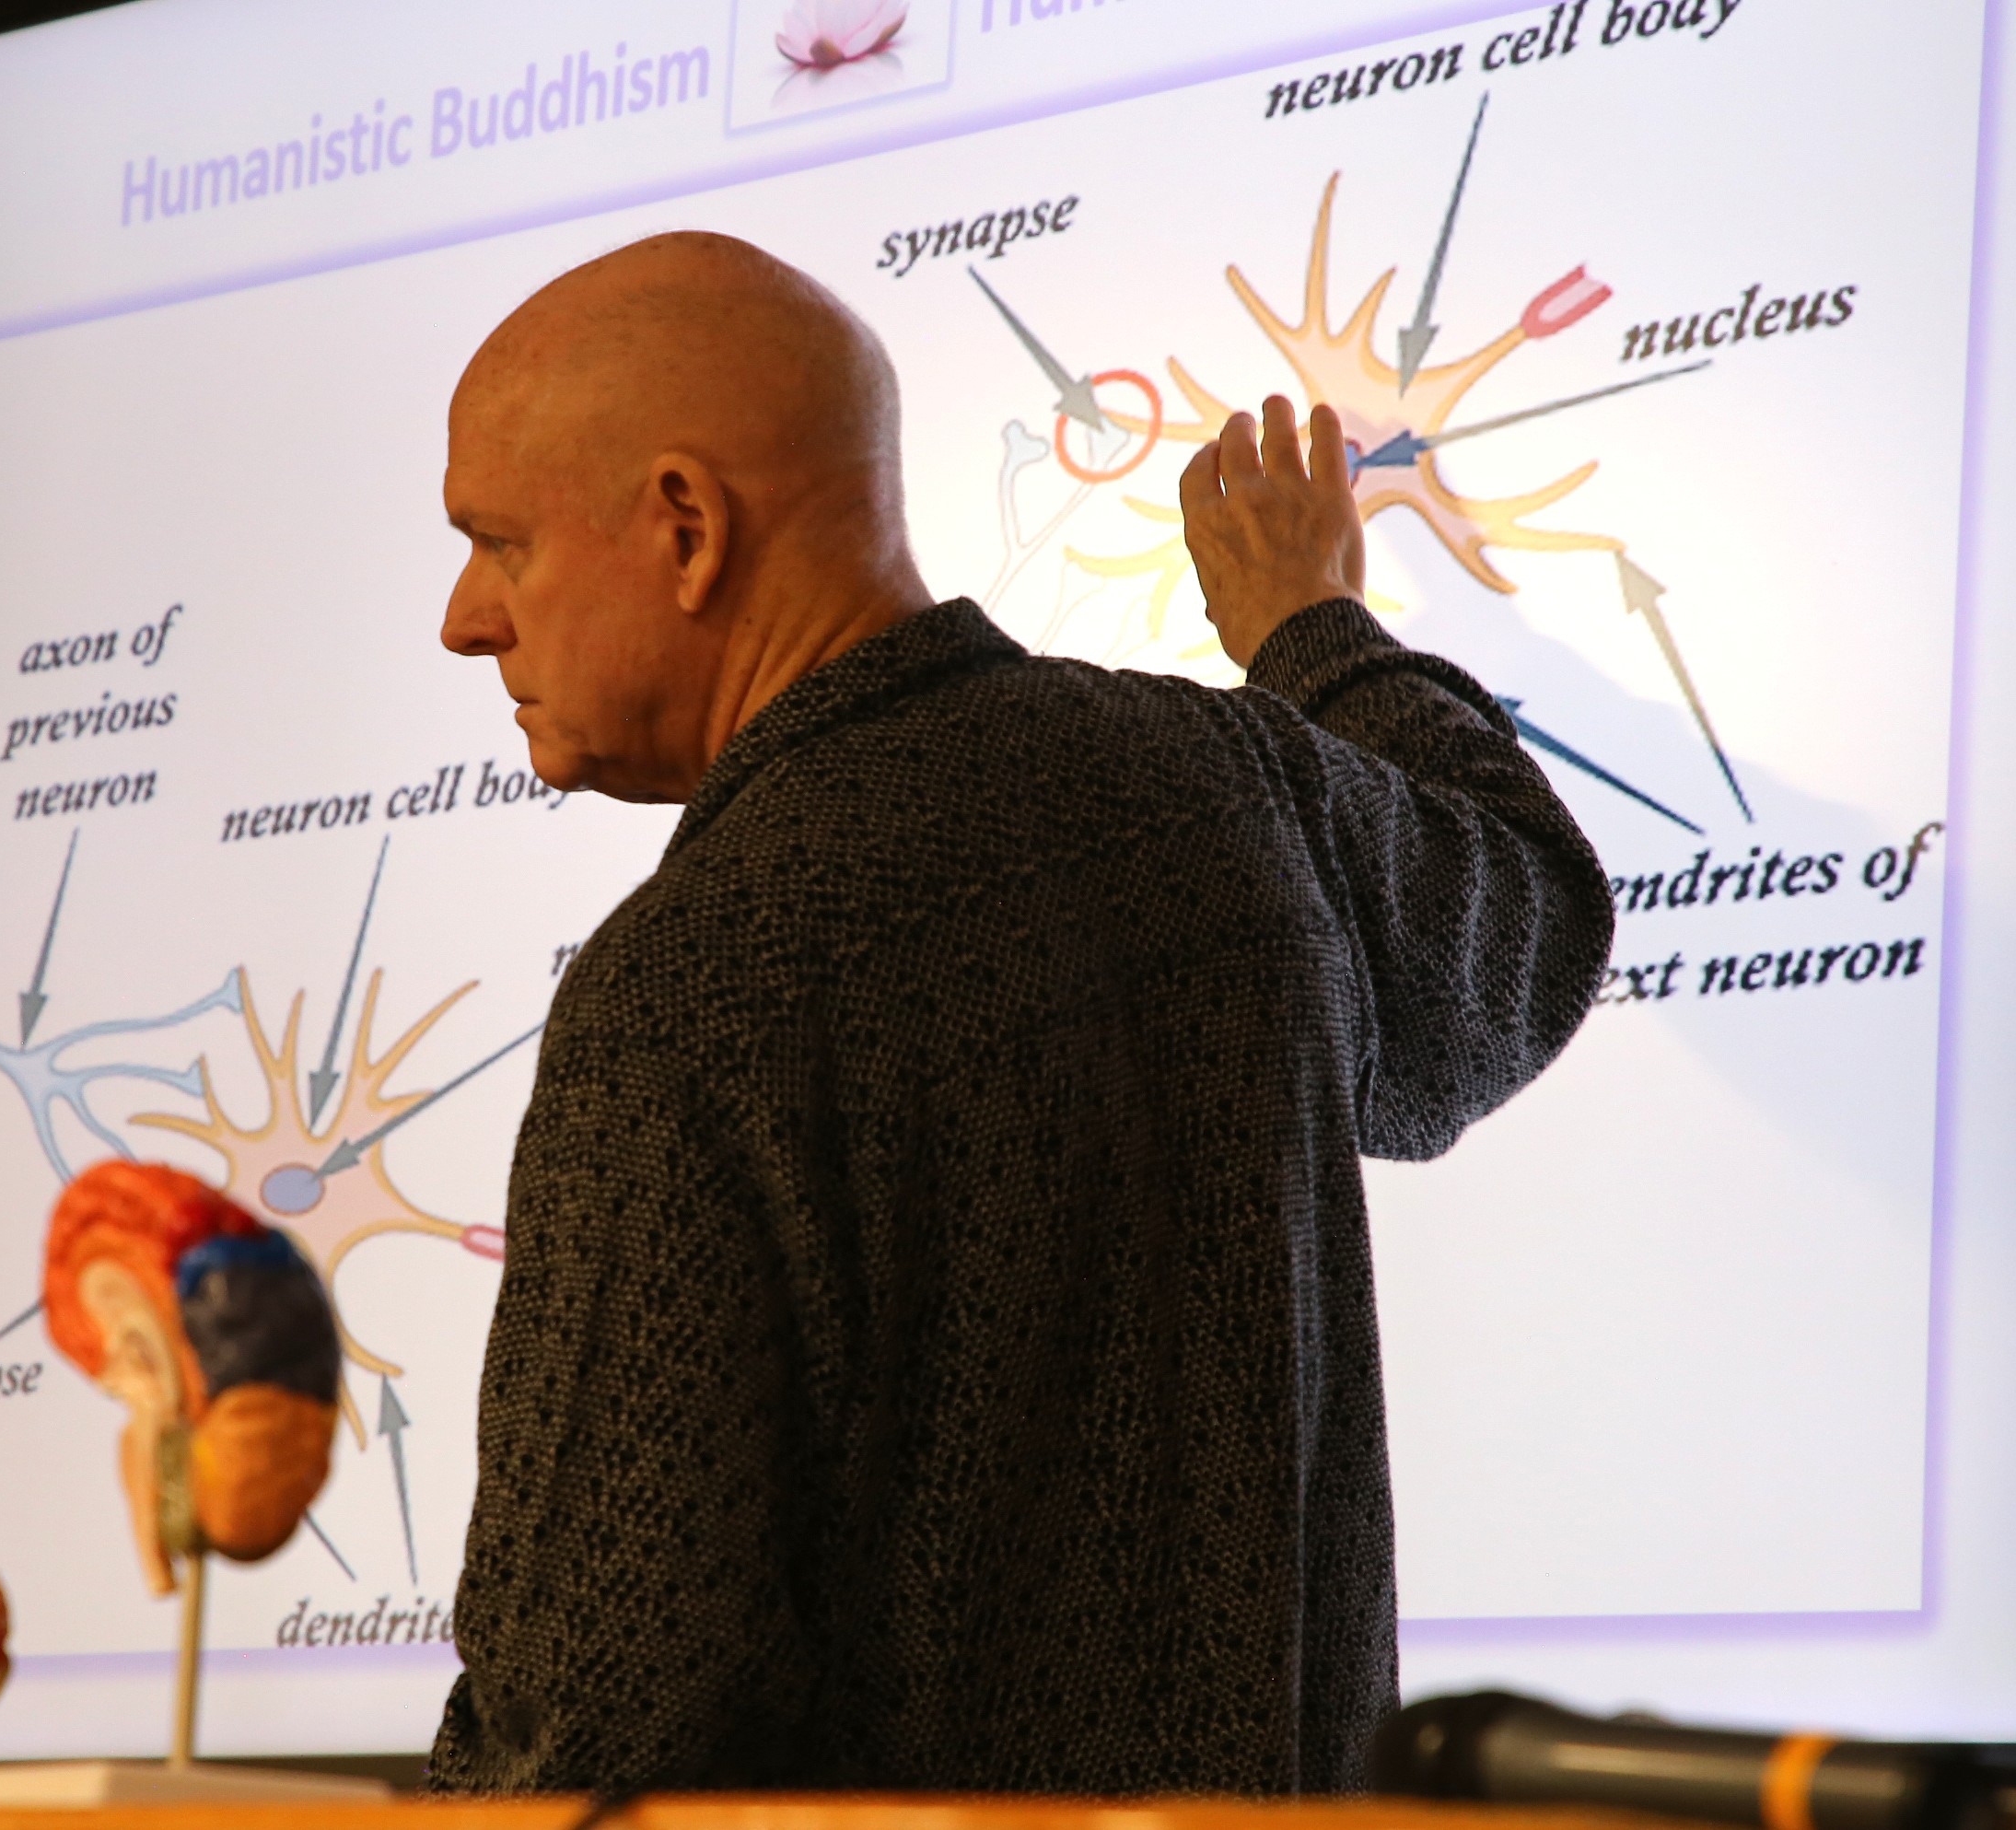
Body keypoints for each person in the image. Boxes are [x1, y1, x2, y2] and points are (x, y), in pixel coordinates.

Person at [425, 231, 1612, 1795]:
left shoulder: (696, 978)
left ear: (687, 528)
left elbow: (601, 1728)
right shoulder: (1233, 789)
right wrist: (1308, 627)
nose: (465, 619)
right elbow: (1521, 929)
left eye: (498, 543)